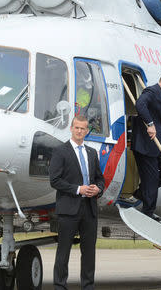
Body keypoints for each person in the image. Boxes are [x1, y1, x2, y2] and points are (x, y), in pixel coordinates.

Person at [49, 115, 105, 290]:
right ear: (71, 129)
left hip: (89, 209)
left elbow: (99, 178)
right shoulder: (60, 151)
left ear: (87, 131)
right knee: (63, 252)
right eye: (77, 128)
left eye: (83, 128)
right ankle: (60, 286)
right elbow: (55, 180)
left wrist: (98, 189)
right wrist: (78, 189)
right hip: (68, 209)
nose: (80, 131)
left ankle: (88, 286)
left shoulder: (91, 152)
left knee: (89, 253)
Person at [131, 71, 161, 219]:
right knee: (151, 177)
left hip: (159, 144)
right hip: (146, 144)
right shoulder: (151, 91)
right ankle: (148, 211)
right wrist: (150, 124)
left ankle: (141, 192)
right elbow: (140, 104)